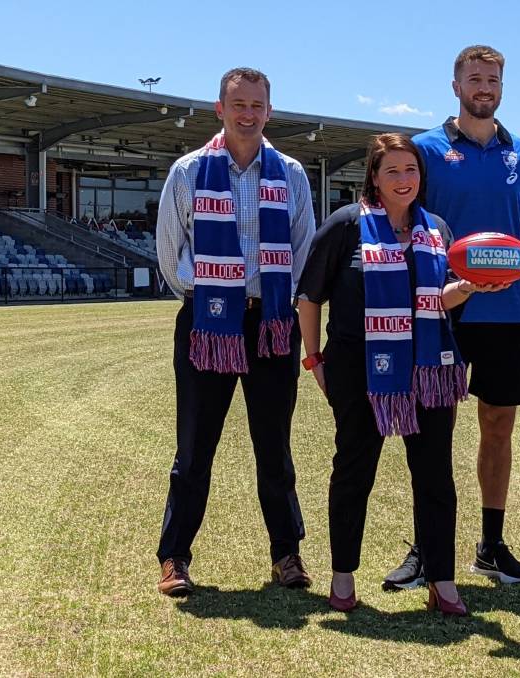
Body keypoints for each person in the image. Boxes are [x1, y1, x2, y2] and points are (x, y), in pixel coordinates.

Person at [297, 133, 504, 615]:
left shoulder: (438, 229)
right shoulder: (346, 225)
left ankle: (442, 581)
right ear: (373, 176)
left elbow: (440, 297)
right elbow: (309, 297)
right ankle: (343, 576)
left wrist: (470, 287)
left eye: (410, 170)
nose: (403, 179)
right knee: (354, 470)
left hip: (429, 367)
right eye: (392, 170)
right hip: (358, 367)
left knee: (435, 475)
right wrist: (313, 359)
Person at [383, 44, 520, 588]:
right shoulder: (427, 150)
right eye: (475, 78)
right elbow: (403, 222)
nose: (485, 87)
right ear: (456, 85)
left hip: (505, 314)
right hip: (441, 310)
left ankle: (491, 546)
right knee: (433, 431)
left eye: (494, 79)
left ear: (503, 87)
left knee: (498, 426)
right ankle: (427, 548)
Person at [154, 67, 315, 596]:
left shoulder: (290, 173)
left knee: (274, 446)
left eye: (257, 104)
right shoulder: (188, 171)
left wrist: (272, 302)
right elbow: (170, 250)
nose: (248, 113)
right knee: (195, 447)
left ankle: (286, 554)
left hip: (270, 322)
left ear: (270, 110)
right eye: (238, 104)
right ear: (219, 109)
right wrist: (205, 294)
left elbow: (301, 250)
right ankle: (174, 556)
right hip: (207, 322)